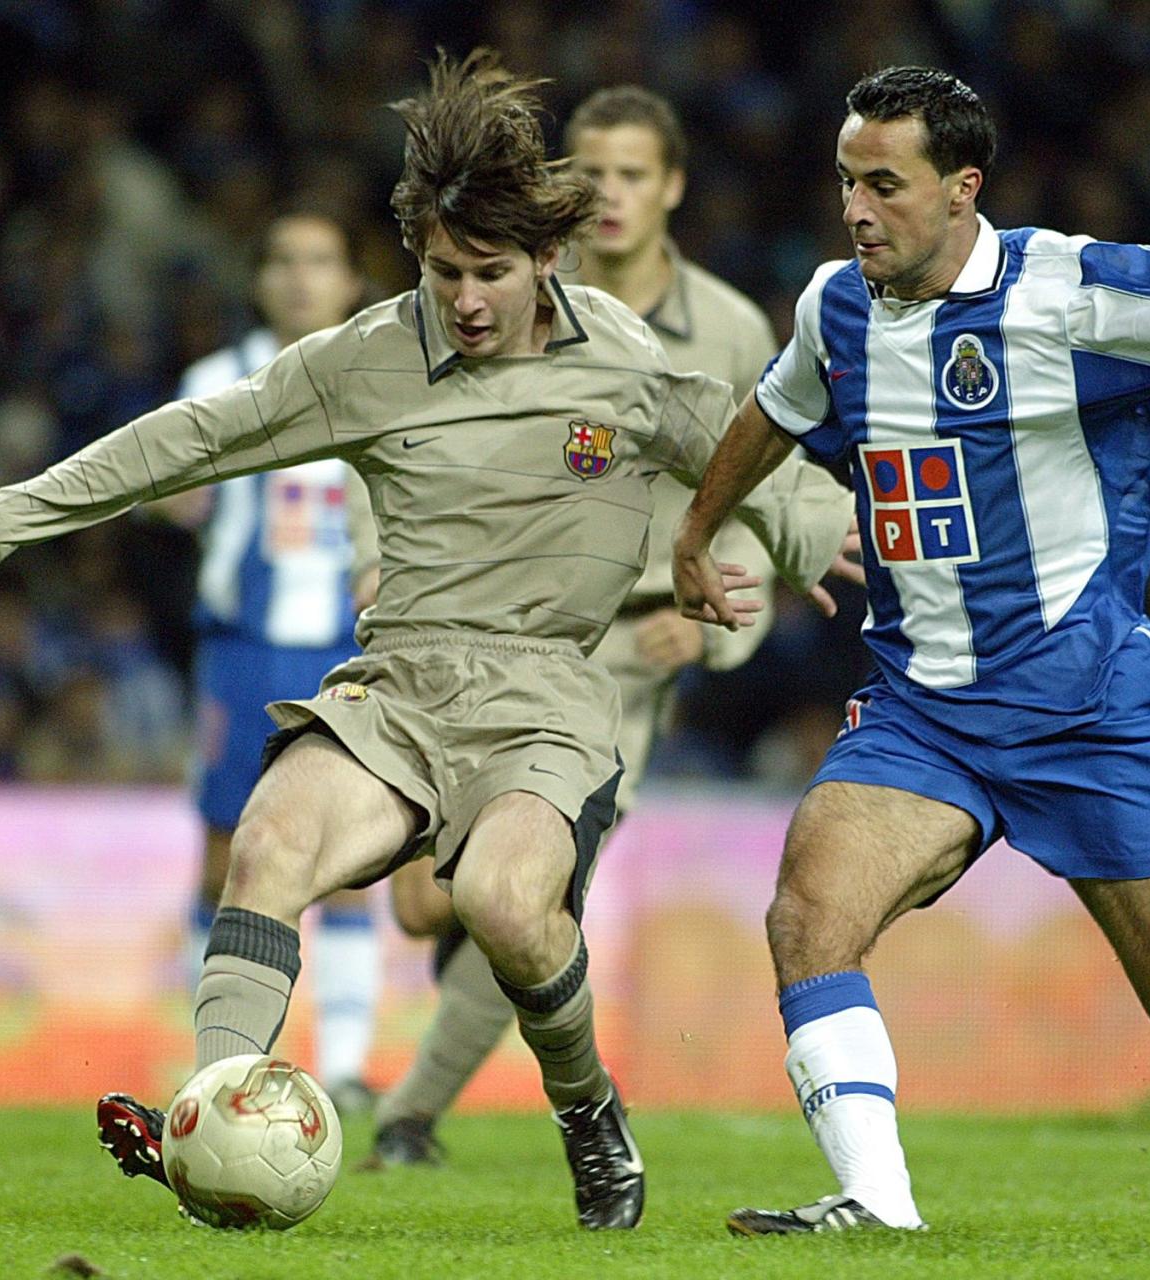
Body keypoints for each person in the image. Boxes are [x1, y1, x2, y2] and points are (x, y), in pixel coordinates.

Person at [0, 50, 856, 1231]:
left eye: (489, 272)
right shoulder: (368, 358)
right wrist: (17, 513)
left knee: (507, 902)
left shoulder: (614, 356)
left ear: (547, 258)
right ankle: (208, 1123)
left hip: (551, 693)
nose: (461, 297)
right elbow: (191, 439)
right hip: (398, 684)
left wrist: (816, 532)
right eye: (442, 269)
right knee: (269, 841)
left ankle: (585, 1106)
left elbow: (732, 438)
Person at [672, 64, 1150, 1236]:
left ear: (960, 190)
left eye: (883, 186)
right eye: (845, 181)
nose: (855, 209)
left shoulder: (1064, 291)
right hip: (922, 713)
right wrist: (699, 530)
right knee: (808, 912)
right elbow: (772, 409)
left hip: (1081, 712)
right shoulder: (833, 306)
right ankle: (874, 1207)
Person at [363, 85, 787, 1168]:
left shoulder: (731, 329)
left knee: (526, 892)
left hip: (627, 649)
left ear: (673, 187)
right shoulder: (510, 289)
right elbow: (417, 439)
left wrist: (714, 627)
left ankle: (406, 1116)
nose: (608, 193)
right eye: (589, 171)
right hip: (468, 622)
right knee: (425, 904)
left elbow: (757, 482)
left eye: (633, 173)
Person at [159, 210, 382, 1113]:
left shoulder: (380, 379)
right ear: (259, 280)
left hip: (347, 650)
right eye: (282, 261)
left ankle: (347, 1070)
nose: (299, 278)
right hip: (243, 650)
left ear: (350, 281)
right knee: (222, 854)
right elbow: (166, 493)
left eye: (319, 261)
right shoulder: (214, 380)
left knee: (355, 858)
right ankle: (215, 1063)